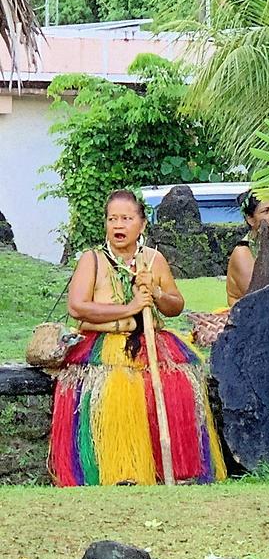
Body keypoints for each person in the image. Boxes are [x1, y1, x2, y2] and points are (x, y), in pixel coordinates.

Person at [49, 189, 227, 486]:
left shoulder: (153, 259)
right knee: (118, 390)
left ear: (142, 224)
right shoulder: (92, 260)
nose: (118, 225)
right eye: (112, 219)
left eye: (126, 219)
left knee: (177, 384)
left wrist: (154, 292)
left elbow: (175, 305)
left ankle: (174, 469)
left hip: (150, 342)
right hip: (103, 344)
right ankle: (122, 470)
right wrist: (129, 307)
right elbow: (77, 306)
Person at [226, 190, 269, 306]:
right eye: (266, 211)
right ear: (250, 219)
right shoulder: (243, 252)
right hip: (248, 315)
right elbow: (258, 298)